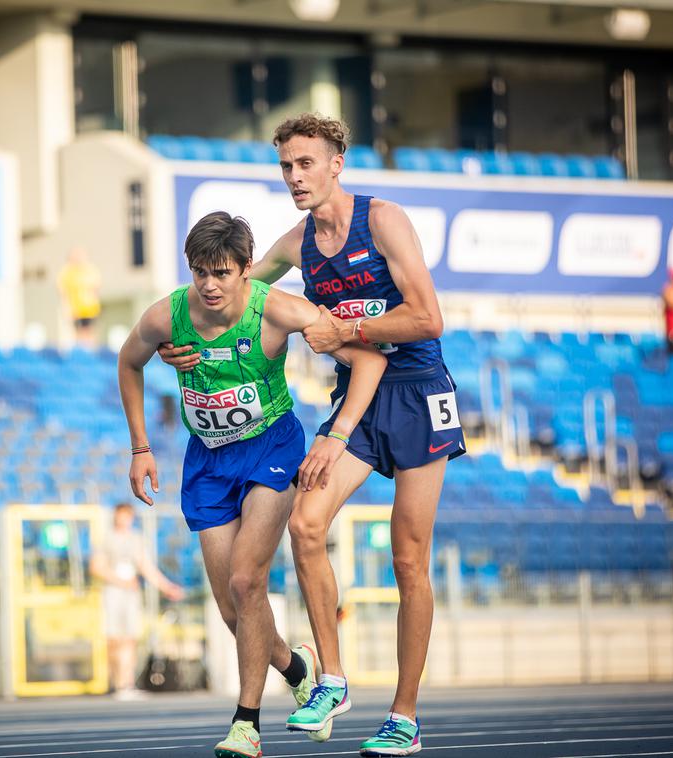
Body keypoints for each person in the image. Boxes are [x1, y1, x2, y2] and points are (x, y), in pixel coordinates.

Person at [159, 114, 465, 757]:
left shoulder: (382, 220)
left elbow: (429, 317)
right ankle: (331, 679)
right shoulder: (296, 243)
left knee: (408, 556)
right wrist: (183, 345)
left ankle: (404, 716)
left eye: (306, 163)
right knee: (305, 523)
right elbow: (231, 292)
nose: (295, 177)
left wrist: (350, 330)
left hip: (416, 393)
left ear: (336, 164)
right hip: (354, 396)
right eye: (286, 167)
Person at [119, 211, 387, 758]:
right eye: (200, 273)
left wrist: (337, 434)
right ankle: (296, 666)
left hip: (272, 449)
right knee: (231, 610)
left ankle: (246, 724)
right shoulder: (168, 317)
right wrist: (141, 447)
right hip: (208, 462)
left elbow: (366, 360)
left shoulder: (277, 310)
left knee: (247, 581)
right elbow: (129, 363)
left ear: (247, 269)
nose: (210, 286)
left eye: (222, 273)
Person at [90, 502, 186, 700]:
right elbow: (96, 567)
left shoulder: (136, 539)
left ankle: (127, 683)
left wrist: (167, 587)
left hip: (130, 593)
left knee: (130, 638)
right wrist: (120, 581)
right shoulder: (106, 538)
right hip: (113, 592)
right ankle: (117, 683)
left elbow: (146, 567)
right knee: (114, 638)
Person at [57, 246, 102, 347]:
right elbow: (62, 290)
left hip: (89, 308)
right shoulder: (67, 272)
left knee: (89, 331)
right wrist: (66, 306)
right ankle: (80, 350)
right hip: (75, 309)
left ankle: (90, 350)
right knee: (78, 332)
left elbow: (96, 286)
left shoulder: (90, 270)